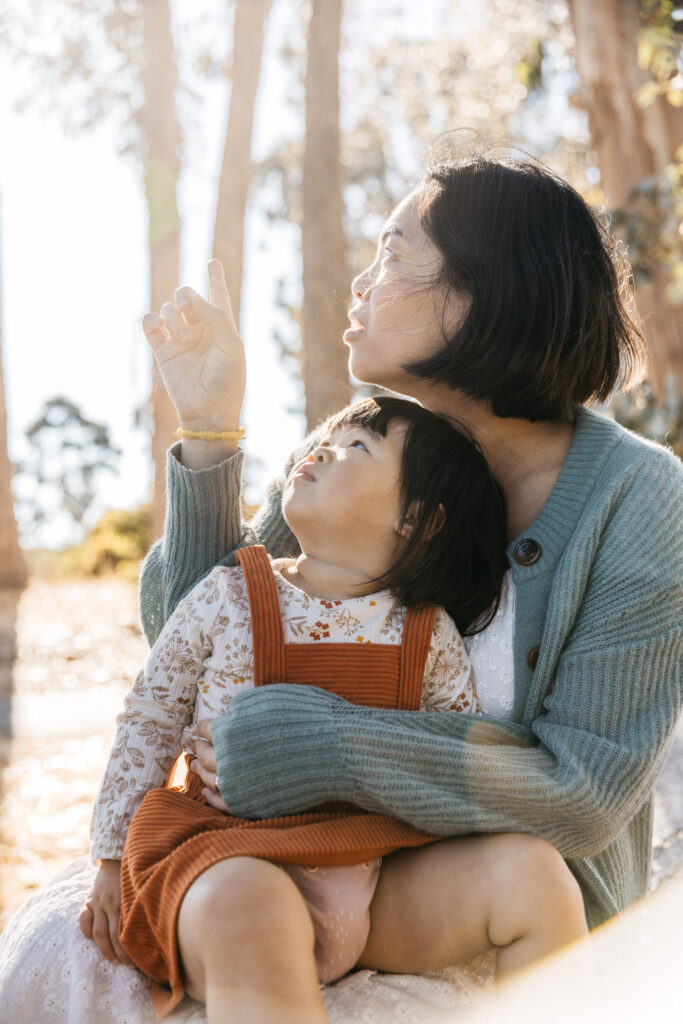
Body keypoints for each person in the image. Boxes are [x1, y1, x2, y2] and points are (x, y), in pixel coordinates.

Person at [137, 148, 681, 1004]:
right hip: (287, 879)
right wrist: (209, 431)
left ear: (483, 290)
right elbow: (200, 638)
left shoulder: (639, 502)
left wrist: (326, 743)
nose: (360, 283)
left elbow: (578, 792)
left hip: (500, 920)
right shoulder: (367, 449)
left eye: (392, 254)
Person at [83, 394, 587, 1024]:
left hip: (372, 882)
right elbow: (150, 718)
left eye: (359, 447)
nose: (322, 448)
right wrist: (110, 855)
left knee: (534, 874)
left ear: (419, 520)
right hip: (224, 859)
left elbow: (458, 762)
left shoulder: (428, 634)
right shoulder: (230, 592)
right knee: (256, 909)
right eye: (327, 436)